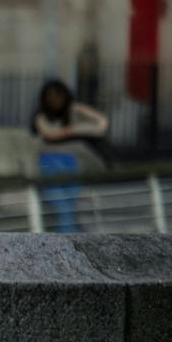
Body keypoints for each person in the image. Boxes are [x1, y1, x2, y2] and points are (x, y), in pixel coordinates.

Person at [31, 79, 108, 232]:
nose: (54, 99)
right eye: (50, 96)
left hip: (71, 161)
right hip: (49, 162)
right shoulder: (41, 117)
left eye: (58, 95)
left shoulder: (73, 112)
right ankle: (70, 236)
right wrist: (72, 130)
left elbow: (102, 122)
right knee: (61, 204)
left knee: (70, 204)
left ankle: (69, 236)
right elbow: (50, 134)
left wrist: (76, 109)